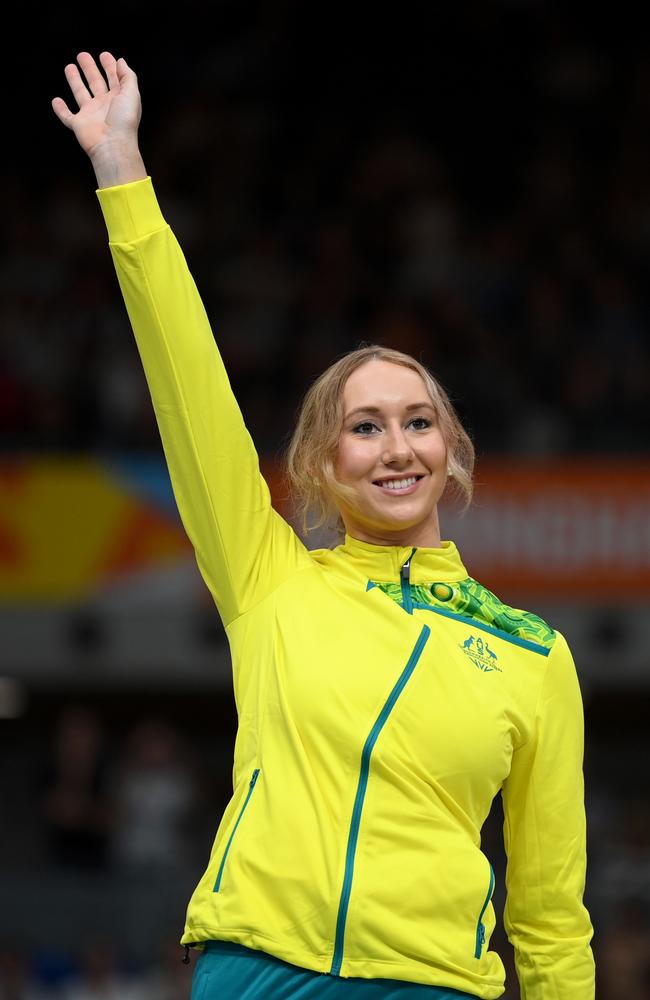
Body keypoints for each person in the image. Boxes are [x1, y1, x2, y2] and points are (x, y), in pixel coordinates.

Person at [51, 51, 595, 1000]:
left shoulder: (534, 655)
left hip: (431, 988)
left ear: (453, 452)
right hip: (255, 975)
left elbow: (550, 915)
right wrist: (122, 175)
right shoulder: (270, 579)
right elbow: (187, 384)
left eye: (419, 422)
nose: (396, 447)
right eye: (364, 426)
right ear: (319, 464)